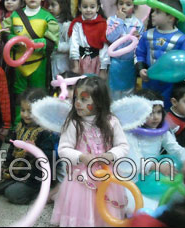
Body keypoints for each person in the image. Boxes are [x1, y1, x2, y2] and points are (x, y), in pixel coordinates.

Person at [51, 76, 130, 227]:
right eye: (76, 98)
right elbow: (63, 149)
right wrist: (81, 157)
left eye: (84, 99)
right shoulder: (74, 123)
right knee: (82, 209)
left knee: (104, 209)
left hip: (106, 176)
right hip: (80, 179)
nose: (77, 103)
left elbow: (123, 145)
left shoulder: (111, 121)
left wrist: (110, 155)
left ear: (99, 101)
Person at [4, 0, 59, 126]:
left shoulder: (48, 18)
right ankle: (18, 125)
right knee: (18, 95)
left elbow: (52, 42)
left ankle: (39, 126)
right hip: (17, 65)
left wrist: (35, 44)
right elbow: (5, 33)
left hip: (38, 64)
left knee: (39, 95)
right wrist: (15, 40)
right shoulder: (15, 16)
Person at [0, 88, 55, 205]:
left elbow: (49, 158)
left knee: (11, 194)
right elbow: (12, 149)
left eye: (30, 111)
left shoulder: (45, 132)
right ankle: (15, 183)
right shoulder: (20, 126)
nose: (25, 115)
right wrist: (5, 166)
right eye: (23, 110)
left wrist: (36, 151)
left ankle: (36, 191)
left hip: (34, 177)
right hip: (17, 171)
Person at [120, 90, 185, 180]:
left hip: (152, 176)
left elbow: (176, 149)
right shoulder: (130, 133)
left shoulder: (162, 132)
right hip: (132, 177)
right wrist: (157, 166)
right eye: (150, 113)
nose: (156, 117)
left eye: (159, 112)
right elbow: (132, 160)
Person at [135, 0, 185, 109]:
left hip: (170, 85)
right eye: (153, 11)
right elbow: (139, 54)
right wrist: (141, 69)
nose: (152, 14)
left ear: (170, 17)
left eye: (158, 12)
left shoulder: (181, 39)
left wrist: (181, 86)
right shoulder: (147, 35)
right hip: (149, 82)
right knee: (147, 110)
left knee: (168, 110)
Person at [105, 0, 144, 101]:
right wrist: (120, 21)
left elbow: (141, 46)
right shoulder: (111, 20)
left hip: (129, 64)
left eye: (128, 4)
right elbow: (110, 37)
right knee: (114, 93)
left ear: (134, 6)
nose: (124, 7)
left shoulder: (138, 23)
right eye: (121, 3)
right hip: (115, 63)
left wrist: (139, 38)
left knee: (128, 92)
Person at [69, 0, 108, 77]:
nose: (88, 10)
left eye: (92, 7)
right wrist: (75, 63)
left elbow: (104, 47)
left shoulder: (103, 24)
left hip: (97, 62)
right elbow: (74, 43)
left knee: (96, 84)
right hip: (81, 61)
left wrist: (103, 68)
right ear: (79, 7)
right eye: (85, 6)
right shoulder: (77, 24)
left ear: (98, 8)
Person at [45, 0, 73, 79]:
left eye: (53, 5)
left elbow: (71, 45)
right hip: (51, 61)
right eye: (48, 5)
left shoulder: (66, 25)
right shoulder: (47, 22)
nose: (50, 8)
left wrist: (57, 46)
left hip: (63, 62)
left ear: (62, 6)